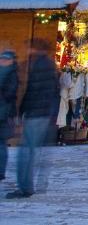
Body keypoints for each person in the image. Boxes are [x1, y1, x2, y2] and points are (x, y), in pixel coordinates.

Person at [8, 39, 58, 199]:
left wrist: (22, 111)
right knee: (30, 150)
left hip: (36, 113)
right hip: (42, 113)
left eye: (29, 47)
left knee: (26, 151)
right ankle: (27, 186)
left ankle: (25, 187)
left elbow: (33, 90)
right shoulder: (48, 64)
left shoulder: (39, 65)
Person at [0, 50, 18, 183]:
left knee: (1, 144)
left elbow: (9, 95)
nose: (3, 61)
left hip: (4, 115)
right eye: (2, 59)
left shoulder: (11, 75)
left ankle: (0, 172)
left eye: (6, 59)